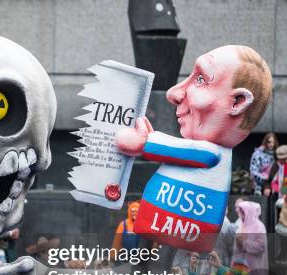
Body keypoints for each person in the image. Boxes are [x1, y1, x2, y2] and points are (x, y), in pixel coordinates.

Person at [116, 45, 272, 252]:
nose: (173, 93)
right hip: (160, 223)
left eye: (200, 79)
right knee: (152, 258)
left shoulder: (211, 153)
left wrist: (144, 142)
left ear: (237, 102)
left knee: (162, 262)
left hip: (175, 228)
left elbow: (170, 149)